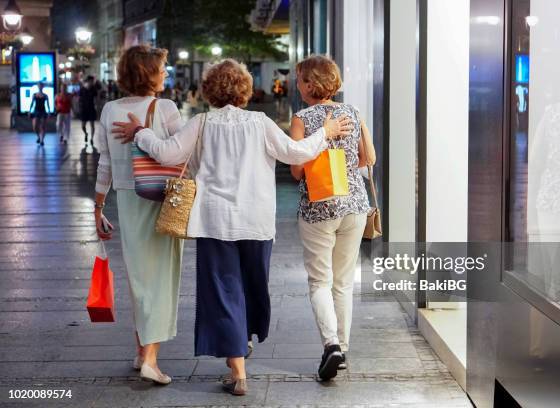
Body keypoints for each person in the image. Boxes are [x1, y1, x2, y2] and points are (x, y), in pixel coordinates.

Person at [112, 58, 354, 396]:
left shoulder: (202, 123)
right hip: (256, 222)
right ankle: (241, 348)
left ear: (210, 89)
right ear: (244, 90)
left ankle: (238, 368)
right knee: (252, 288)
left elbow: (167, 154)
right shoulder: (260, 122)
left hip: (214, 222)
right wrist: (325, 135)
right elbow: (295, 153)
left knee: (224, 293)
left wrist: (141, 133)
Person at [93, 45, 185, 385]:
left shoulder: (109, 109)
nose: (165, 74)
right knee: (160, 278)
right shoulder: (166, 108)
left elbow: (104, 162)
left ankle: (139, 351)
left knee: (139, 278)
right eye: (161, 68)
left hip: (128, 200)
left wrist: (98, 205)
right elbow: (182, 150)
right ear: (148, 72)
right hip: (161, 198)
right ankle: (150, 360)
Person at [290, 55, 376, 381]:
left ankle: (331, 345)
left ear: (311, 84)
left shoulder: (302, 118)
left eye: (300, 80)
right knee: (343, 283)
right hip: (354, 206)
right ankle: (344, 348)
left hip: (318, 209)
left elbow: (297, 169)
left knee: (319, 282)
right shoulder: (352, 113)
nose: (297, 85)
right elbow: (370, 158)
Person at [79, 75, 98, 147]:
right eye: (92, 81)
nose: (93, 82)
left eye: (93, 81)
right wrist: (79, 107)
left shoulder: (94, 89)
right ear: (88, 81)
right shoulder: (82, 89)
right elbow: (79, 98)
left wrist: (97, 107)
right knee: (83, 126)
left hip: (91, 108)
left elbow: (96, 98)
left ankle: (92, 139)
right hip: (84, 109)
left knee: (92, 125)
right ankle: (86, 133)